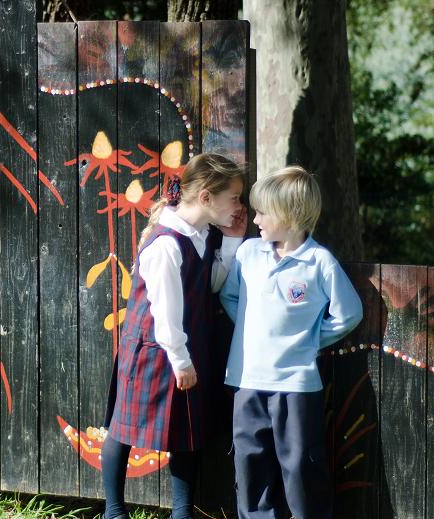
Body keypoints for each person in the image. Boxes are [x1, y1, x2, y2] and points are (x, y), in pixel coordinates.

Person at [102, 153, 247, 519]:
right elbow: (166, 312)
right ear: (206, 198)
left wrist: (231, 240)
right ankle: (114, 511)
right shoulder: (167, 243)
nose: (240, 206)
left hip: (184, 348)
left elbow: (210, 282)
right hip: (155, 351)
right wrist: (181, 361)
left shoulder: (201, 235)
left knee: (186, 431)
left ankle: (182, 512)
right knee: (123, 428)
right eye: (235, 198)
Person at [220, 166, 362, 519]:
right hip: (247, 381)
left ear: (291, 214)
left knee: (301, 465)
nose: (255, 219)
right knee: (249, 462)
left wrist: (311, 339)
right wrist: (253, 329)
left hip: (296, 386)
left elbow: (349, 314)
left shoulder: (319, 263)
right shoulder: (249, 253)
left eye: (263, 212)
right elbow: (230, 297)